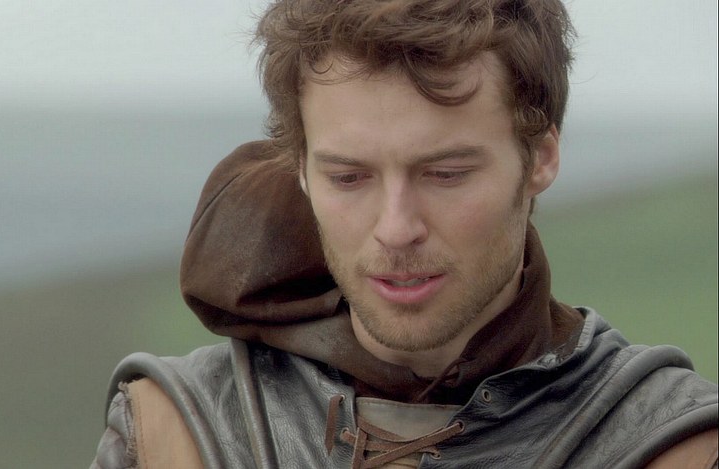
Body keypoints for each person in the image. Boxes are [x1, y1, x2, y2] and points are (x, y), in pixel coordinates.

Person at [90, 1, 718, 467]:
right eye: (348, 177)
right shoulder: (174, 435)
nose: (396, 229)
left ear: (541, 158)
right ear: (301, 169)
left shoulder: (674, 448)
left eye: (446, 174)